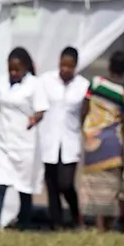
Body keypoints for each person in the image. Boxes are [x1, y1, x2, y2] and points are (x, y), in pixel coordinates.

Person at [0, 47, 47, 230]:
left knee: (24, 187)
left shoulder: (34, 84)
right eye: (10, 69)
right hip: (4, 143)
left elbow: (41, 110)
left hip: (25, 144)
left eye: (17, 70)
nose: (13, 73)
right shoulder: (2, 83)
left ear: (25, 68)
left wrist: (33, 120)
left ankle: (24, 225)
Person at [82, 51, 124, 232]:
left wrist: (84, 131)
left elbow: (84, 107)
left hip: (93, 139)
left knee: (95, 183)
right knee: (112, 184)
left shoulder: (96, 83)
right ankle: (110, 224)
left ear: (110, 65)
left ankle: (98, 225)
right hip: (113, 141)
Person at [39, 46, 90, 230]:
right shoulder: (46, 80)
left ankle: (76, 215)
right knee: (51, 183)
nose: (65, 70)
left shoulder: (83, 85)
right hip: (49, 138)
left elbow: (86, 111)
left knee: (65, 183)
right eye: (62, 65)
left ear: (75, 66)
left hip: (70, 138)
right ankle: (57, 222)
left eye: (69, 66)